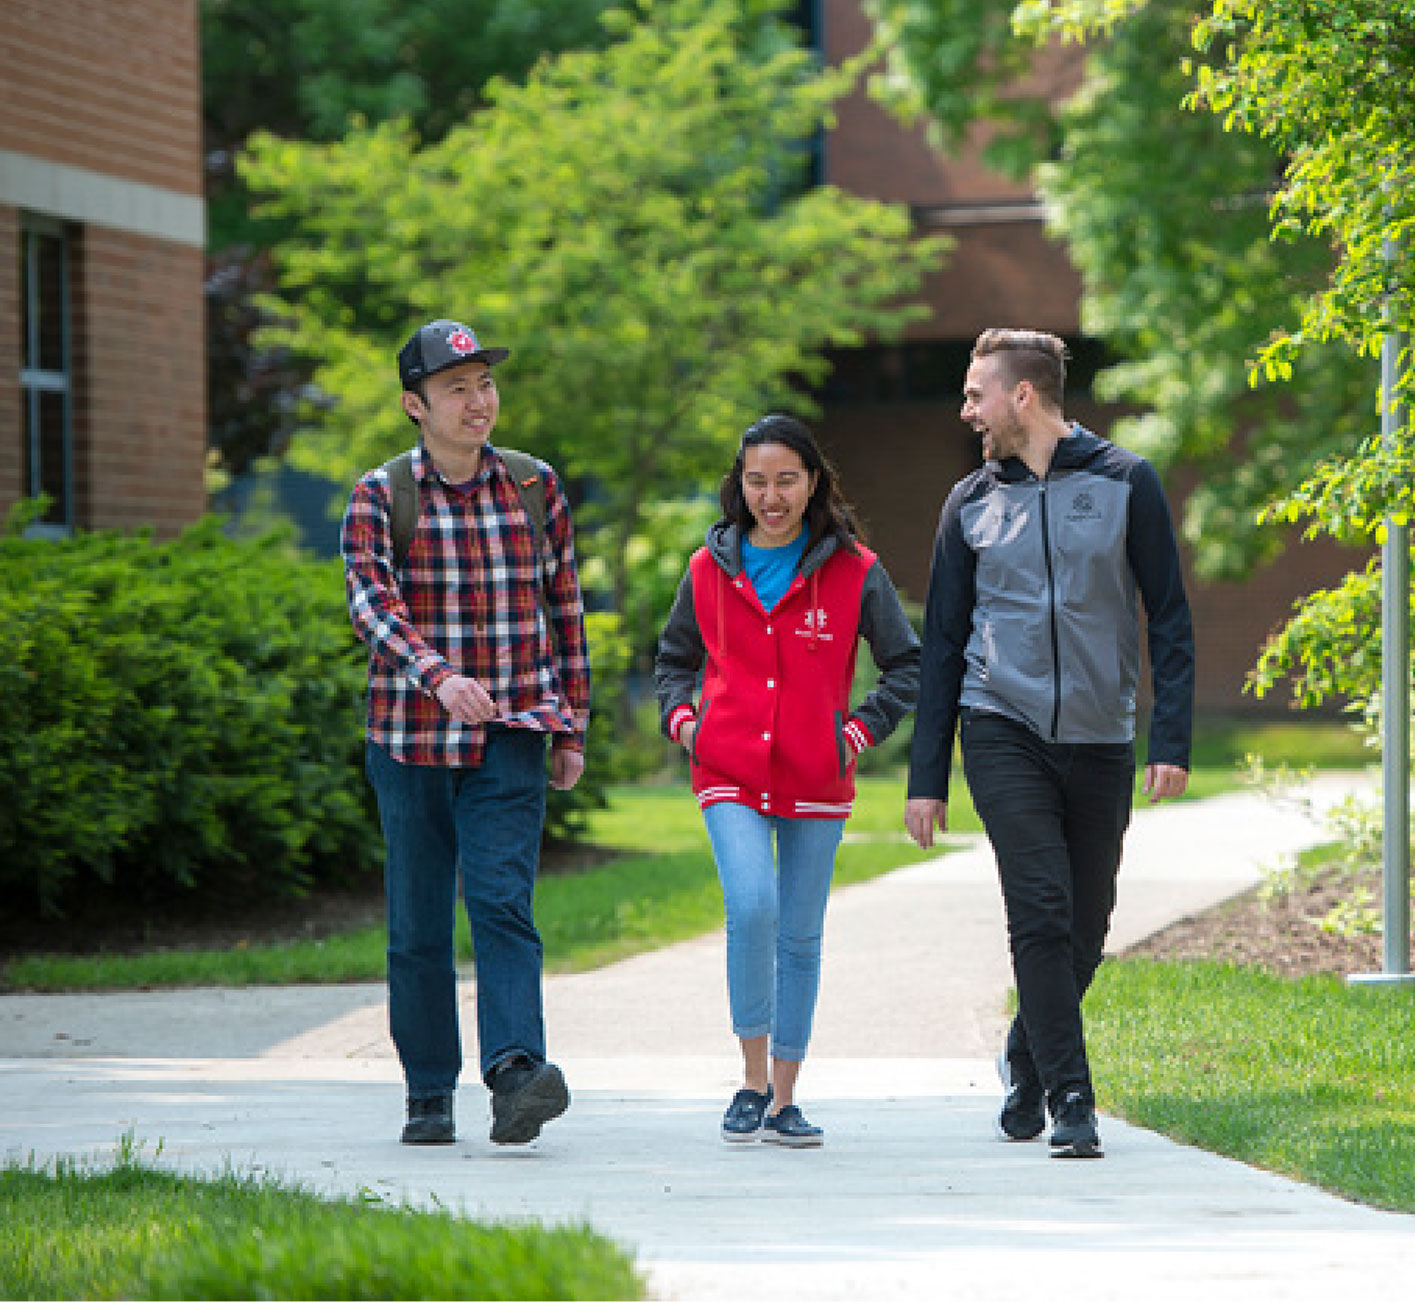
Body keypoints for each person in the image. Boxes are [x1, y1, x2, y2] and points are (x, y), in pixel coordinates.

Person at [904, 328, 1194, 1159]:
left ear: (1022, 395)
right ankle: (1073, 1099)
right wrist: (929, 776)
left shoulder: (1126, 482)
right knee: (1038, 907)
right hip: (1002, 723)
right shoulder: (968, 502)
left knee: (1086, 924)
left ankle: (1027, 1060)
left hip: (1102, 732)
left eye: (975, 394)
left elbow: (1168, 615)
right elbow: (946, 641)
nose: (967, 411)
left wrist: (1168, 737)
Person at [341, 318, 590, 1147]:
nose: (478, 401)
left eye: (485, 384)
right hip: (410, 740)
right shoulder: (382, 495)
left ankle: (517, 1072)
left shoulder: (532, 485)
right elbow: (372, 604)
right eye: (457, 388)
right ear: (416, 405)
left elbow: (565, 606)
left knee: (502, 906)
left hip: (514, 731)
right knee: (417, 924)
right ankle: (427, 1091)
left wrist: (573, 726)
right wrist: (438, 676)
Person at [655, 414, 920, 1147]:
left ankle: (784, 1098)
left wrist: (857, 733)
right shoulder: (709, 569)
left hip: (814, 774)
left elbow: (908, 664)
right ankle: (748, 1079)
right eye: (756, 480)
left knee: (801, 936)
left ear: (813, 483)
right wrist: (686, 724)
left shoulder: (855, 571)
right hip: (729, 767)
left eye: (786, 480)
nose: (771, 496)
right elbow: (673, 660)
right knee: (753, 905)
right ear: (739, 485)